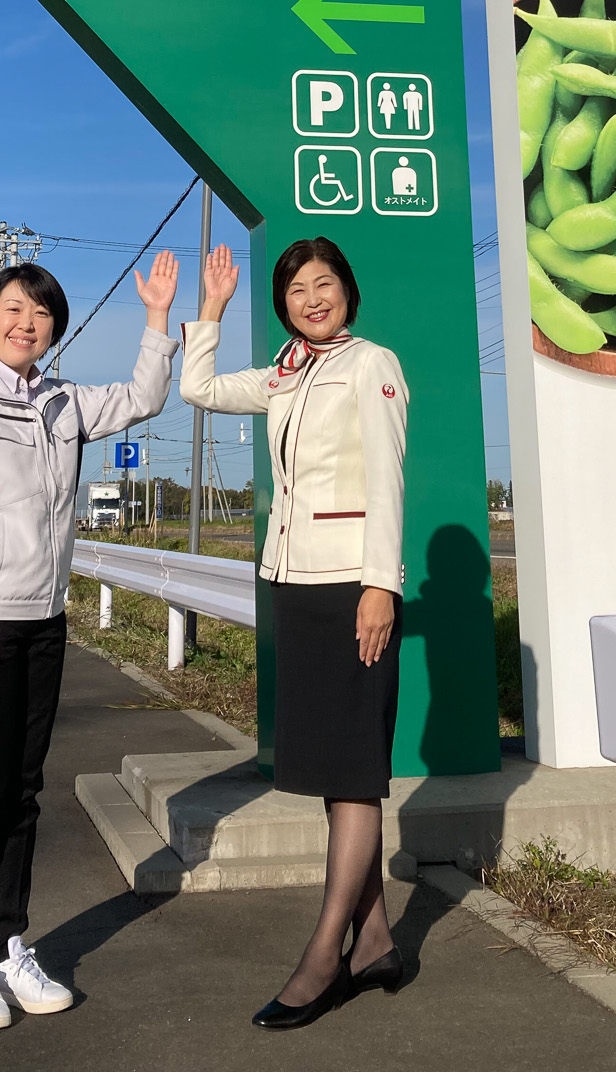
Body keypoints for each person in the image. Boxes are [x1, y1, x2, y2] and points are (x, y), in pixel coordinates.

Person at [0, 251, 179, 1032]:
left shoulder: (62, 401)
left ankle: (6, 944)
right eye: (15, 310)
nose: (28, 323)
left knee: (22, 795)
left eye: (42, 314)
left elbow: (142, 398)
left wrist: (158, 316)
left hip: (41, 623)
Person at [180, 236, 407, 1030]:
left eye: (325, 284)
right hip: (296, 586)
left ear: (348, 288)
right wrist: (209, 307)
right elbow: (198, 386)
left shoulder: (370, 363)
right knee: (330, 771)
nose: (312, 298)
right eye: (296, 290)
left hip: (352, 589)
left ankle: (324, 959)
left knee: (353, 776)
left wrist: (381, 584)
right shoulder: (286, 371)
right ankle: (376, 936)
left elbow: (389, 478)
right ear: (281, 305)